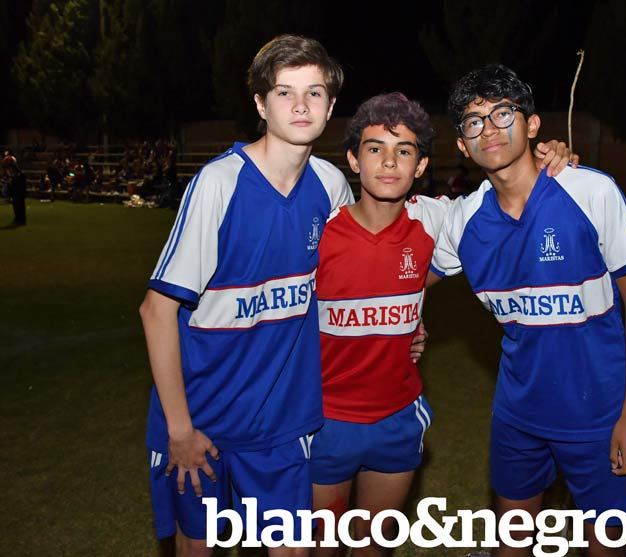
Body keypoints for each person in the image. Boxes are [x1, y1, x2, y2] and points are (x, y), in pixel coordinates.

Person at [310, 92, 576, 557]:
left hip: (396, 417)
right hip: (323, 420)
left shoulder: (436, 218)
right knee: (319, 549)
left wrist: (548, 156)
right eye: (374, 148)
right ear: (353, 160)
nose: (388, 162)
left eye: (404, 150)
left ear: (421, 166)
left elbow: (506, 192)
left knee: (373, 548)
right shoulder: (319, 231)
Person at [139, 35, 357, 557]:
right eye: (284, 92)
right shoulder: (220, 183)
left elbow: (354, 277)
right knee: (198, 546)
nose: (301, 105)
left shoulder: (330, 185)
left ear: (330, 106)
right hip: (202, 421)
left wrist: (404, 328)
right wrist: (180, 430)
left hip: (281, 421)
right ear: (260, 104)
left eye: (315, 92)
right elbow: (157, 310)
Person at [429, 65, 626, 557]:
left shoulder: (590, 192)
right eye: (473, 121)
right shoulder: (462, 222)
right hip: (518, 413)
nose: (489, 129)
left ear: (531, 125)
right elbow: (402, 283)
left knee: (607, 544)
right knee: (512, 542)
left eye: (502, 113)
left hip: (598, 413)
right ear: (462, 144)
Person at [3, 156, 27, 225]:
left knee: (19, 205)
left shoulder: (18, 173)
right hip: (16, 191)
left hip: (18, 191)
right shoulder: (13, 171)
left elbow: (18, 180)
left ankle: (21, 219)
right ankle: (18, 218)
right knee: (16, 205)